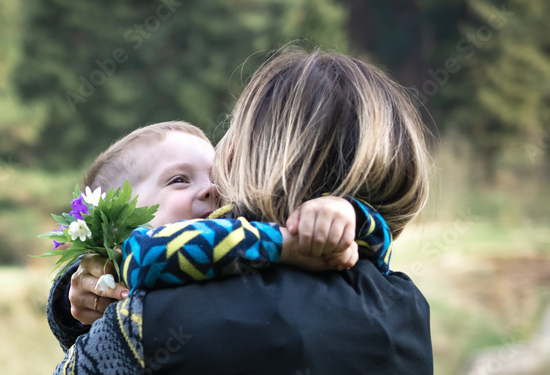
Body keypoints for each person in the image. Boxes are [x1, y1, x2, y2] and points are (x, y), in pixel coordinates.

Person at [5, 49, 434, 375]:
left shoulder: (151, 329)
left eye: (234, 132)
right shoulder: (406, 308)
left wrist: (94, 323)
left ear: (264, 154)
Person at [47, 120, 394, 342]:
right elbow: (148, 256)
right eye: (179, 180)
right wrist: (286, 245)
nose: (212, 189)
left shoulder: (245, 237)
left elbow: (378, 253)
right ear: (117, 223)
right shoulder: (136, 263)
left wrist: (345, 214)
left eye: (217, 178)